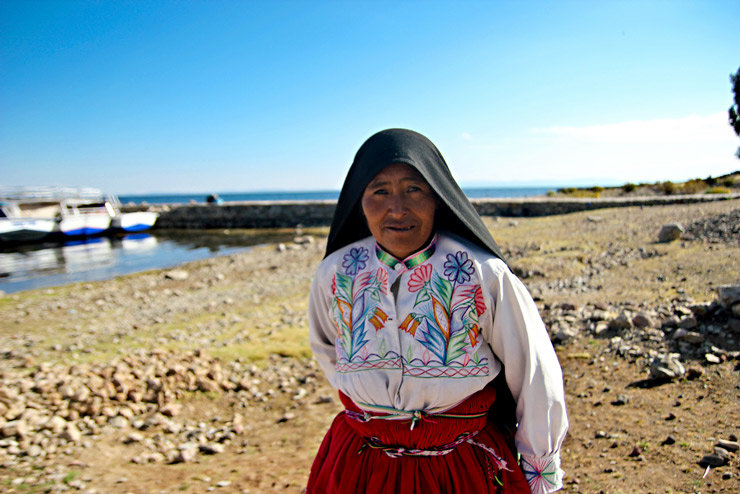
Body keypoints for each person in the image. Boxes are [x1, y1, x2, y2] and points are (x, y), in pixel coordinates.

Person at [307, 129, 568, 493]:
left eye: (414, 188)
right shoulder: (335, 273)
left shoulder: (482, 274)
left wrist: (540, 464)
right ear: (359, 200)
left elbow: (534, 373)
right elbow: (325, 347)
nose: (396, 208)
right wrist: (374, 401)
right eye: (379, 191)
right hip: (360, 463)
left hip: (459, 466)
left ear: (437, 197)